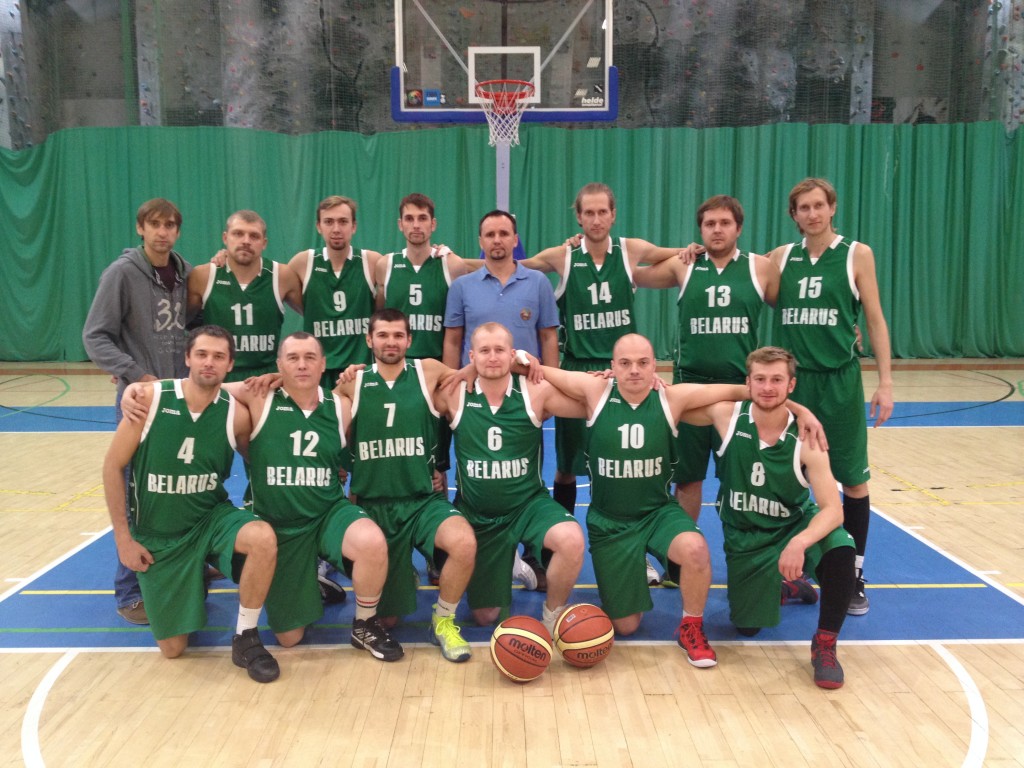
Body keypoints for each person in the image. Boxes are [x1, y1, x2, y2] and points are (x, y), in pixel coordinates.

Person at [101, 325, 280, 683]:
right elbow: (112, 466)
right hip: (160, 534)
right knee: (173, 648)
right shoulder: (148, 401)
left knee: (262, 537)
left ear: (230, 364)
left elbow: (263, 461)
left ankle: (245, 635)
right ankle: (194, 577)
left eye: (218, 356)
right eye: (202, 354)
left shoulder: (236, 415)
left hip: (210, 520)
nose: (209, 362)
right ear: (187, 358)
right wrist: (124, 539)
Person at [226, 331, 402, 661]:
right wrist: (142, 390)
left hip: (327, 513)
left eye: (310, 358)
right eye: (293, 358)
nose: (302, 365)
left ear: (323, 365)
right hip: (281, 527)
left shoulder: (341, 407)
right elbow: (202, 390)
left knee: (371, 540)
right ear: (279, 365)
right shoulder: (258, 398)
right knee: (289, 638)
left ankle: (364, 624)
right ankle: (313, 582)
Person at [518, 183, 685, 522]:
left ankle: (638, 537)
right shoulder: (562, 257)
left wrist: (695, 248)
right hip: (579, 373)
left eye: (602, 212)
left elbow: (676, 254)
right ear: (578, 218)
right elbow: (514, 264)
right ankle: (559, 535)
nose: (596, 219)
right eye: (589, 213)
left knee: (626, 462)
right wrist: (451, 260)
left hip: (625, 374)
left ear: (613, 215)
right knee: (566, 467)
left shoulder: (630, 250)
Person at [690, 346, 856, 688]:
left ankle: (824, 645)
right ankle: (787, 586)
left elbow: (833, 509)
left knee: (841, 551)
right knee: (747, 626)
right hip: (746, 538)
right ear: (748, 383)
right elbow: (679, 399)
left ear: (791, 385)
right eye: (760, 380)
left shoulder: (807, 438)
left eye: (777, 380)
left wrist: (800, 541)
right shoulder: (727, 416)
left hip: (792, 527)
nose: (768, 387)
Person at [766, 178, 894, 615]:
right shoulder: (781, 258)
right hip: (793, 389)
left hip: (839, 383)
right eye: (803, 208)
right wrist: (691, 253)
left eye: (819, 205)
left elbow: (874, 320)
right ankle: (793, 571)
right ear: (794, 215)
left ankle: (853, 573)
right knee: (790, 478)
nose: (812, 214)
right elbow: (735, 269)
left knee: (852, 480)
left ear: (832, 208)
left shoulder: (857, 255)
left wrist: (886, 382)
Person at [335, 309, 478, 662]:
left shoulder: (427, 370)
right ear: (369, 340)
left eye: (398, 335)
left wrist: (520, 358)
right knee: (388, 619)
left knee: (463, 541)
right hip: (374, 505)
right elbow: (331, 429)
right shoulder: (352, 381)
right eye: (382, 335)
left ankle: (443, 621)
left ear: (409, 340)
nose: (391, 342)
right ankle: (401, 574)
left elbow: (471, 372)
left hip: (421, 501)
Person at [633, 195, 778, 523]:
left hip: (738, 392)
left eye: (725, 223)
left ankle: (744, 550)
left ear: (738, 228)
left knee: (740, 478)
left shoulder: (760, 268)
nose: (717, 230)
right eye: (710, 224)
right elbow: (632, 274)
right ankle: (680, 560)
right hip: (690, 388)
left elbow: (792, 311)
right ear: (700, 229)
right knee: (687, 479)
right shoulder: (684, 265)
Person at [83, 197, 193, 625]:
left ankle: (182, 565)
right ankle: (129, 591)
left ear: (178, 232)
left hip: (178, 396)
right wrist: (132, 373)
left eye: (170, 225)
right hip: (140, 400)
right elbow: (96, 336)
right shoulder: (122, 273)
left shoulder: (182, 273)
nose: (163, 232)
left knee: (176, 488)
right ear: (140, 229)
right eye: (155, 224)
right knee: (133, 494)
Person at [441, 322, 586, 634]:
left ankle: (552, 618)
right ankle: (509, 562)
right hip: (479, 515)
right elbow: (410, 385)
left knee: (571, 539)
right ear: (471, 355)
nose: (492, 357)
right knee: (484, 616)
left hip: (528, 506)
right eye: (484, 351)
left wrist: (540, 367)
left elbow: (589, 400)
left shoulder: (535, 391)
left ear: (513, 355)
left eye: (500, 350)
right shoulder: (454, 394)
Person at [187, 210, 303, 381]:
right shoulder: (203, 276)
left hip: (265, 379)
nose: (246, 241)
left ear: (264, 243)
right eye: (238, 234)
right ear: (225, 238)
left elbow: (316, 316)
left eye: (254, 236)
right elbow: (180, 324)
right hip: (218, 378)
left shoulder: (282, 276)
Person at [443, 210, 559, 370]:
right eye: (490, 235)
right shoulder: (461, 286)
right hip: (475, 386)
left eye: (504, 234)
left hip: (527, 385)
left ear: (515, 240)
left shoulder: (539, 282)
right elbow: (453, 342)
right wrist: (451, 382)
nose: (497, 240)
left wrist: (552, 382)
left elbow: (548, 338)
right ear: (480, 242)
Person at [289, 195, 384, 389]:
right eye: (329, 222)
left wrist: (439, 252)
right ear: (319, 226)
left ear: (354, 226)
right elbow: (273, 283)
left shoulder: (371, 261)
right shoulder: (303, 262)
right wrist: (224, 257)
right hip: (318, 371)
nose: (336, 229)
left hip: (361, 368)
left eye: (343, 222)